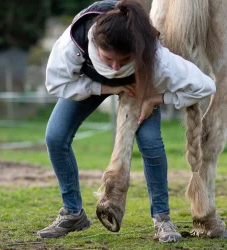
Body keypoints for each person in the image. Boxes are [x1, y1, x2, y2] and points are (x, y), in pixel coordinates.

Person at [37, 0, 216, 243]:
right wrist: (106, 86)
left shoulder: (156, 56)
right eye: (108, 59)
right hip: (89, 84)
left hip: (138, 87)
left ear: (136, 51)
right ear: (95, 44)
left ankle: (162, 218)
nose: (114, 66)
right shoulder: (74, 42)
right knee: (55, 137)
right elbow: (56, 83)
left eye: (123, 61)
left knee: (151, 144)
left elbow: (205, 86)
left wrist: (156, 98)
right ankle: (73, 212)